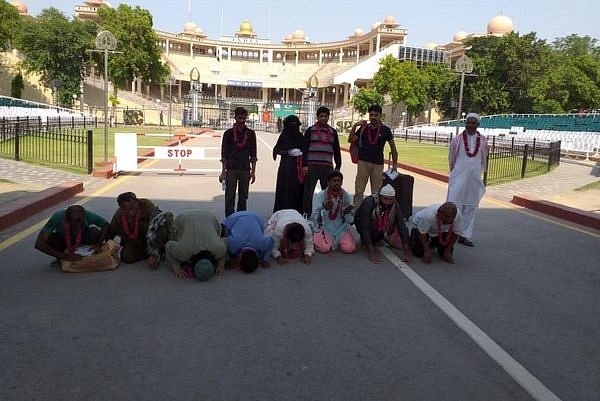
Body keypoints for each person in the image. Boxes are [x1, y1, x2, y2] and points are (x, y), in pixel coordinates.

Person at [446, 112, 489, 247]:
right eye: (468, 122)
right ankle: (448, 232)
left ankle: (464, 235)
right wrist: (454, 173)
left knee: (470, 206)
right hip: (459, 175)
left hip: (474, 178)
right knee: (453, 204)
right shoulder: (457, 139)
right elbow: (451, 157)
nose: (470, 125)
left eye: (473, 123)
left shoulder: (483, 141)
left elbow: (484, 158)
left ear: (478, 125)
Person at [348, 104, 398, 209]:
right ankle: (356, 212)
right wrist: (355, 126)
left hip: (378, 163)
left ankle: (375, 212)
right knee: (359, 190)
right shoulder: (363, 128)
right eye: (371, 115)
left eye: (376, 115)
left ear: (380, 116)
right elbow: (351, 140)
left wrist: (394, 166)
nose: (373, 117)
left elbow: (393, 147)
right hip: (363, 161)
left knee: (376, 192)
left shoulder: (385, 130)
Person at [354, 184, 412, 264]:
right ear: (380, 197)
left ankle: (379, 237)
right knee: (369, 230)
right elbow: (365, 226)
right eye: (385, 199)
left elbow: (402, 226)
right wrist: (372, 253)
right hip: (364, 223)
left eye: (390, 199)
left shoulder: (395, 205)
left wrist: (406, 252)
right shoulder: (369, 202)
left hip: (381, 225)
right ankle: (367, 241)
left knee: (400, 241)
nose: (388, 202)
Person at [165, 209, 228, 279]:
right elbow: (168, 245)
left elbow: (225, 241)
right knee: (172, 237)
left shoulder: (218, 249)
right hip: (183, 218)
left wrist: (221, 264)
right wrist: (177, 268)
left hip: (208, 216)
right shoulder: (184, 252)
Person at [301, 106, 342, 215]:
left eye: (325, 116)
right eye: (321, 116)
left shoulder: (333, 132)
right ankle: (306, 215)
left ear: (328, 117)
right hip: (311, 166)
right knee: (308, 193)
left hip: (327, 167)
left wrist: (338, 166)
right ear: (317, 117)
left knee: (328, 192)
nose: (323, 118)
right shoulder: (310, 130)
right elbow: (304, 148)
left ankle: (327, 215)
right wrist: (304, 165)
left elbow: (336, 149)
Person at [34, 205, 109, 263]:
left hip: (82, 240)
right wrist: (64, 256)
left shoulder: (88, 215)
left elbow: (106, 225)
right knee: (51, 239)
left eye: (81, 223)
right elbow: (39, 244)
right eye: (75, 224)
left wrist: (98, 244)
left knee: (94, 232)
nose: (78, 226)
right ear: (66, 219)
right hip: (64, 241)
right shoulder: (57, 217)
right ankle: (61, 257)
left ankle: (88, 254)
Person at [107, 192, 164, 268]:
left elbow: (157, 224)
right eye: (126, 210)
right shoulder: (119, 214)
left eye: (133, 208)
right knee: (127, 258)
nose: (131, 212)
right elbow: (112, 230)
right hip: (134, 240)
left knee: (162, 226)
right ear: (121, 207)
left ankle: (157, 251)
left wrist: (154, 254)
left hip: (151, 236)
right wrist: (104, 247)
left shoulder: (147, 205)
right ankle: (146, 252)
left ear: (137, 202)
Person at [219, 107, 258, 217]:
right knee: (230, 196)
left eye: (243, 118)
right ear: (235, 118)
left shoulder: (251, 134)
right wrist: (223, 172)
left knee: (243, 196)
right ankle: (229, 220)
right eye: (239, 118)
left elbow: (254, 154)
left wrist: (253, 172)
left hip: (245, 169)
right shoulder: (228, 133)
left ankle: (241, 219)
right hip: (231, 169)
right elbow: (224, 154)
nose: (241, 120)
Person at [310, 171, 356, 254]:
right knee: (324, 248)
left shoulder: (347, 196)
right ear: (328, 182)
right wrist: (325, 209)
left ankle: (336, 241)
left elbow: (350, 221)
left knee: (349, 248)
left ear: (342, 182)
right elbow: (314, 217)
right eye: (334, 181)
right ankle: (322, 239)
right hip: (324, 228)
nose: (336, 183)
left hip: (341, 228)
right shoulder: (320, 196)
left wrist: (347, 213)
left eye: (339, 181)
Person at [272, 114, 305, 213]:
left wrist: (300, 153)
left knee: (297, 189)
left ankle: (296, 211)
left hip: (298, 166)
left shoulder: (300, 136)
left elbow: (305, 149)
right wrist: (287, 152)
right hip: (286, 166)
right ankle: (282, 211)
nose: (294, 126)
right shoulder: (284, 135)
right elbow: (276, 149)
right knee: (285, 189)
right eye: (292, 124)